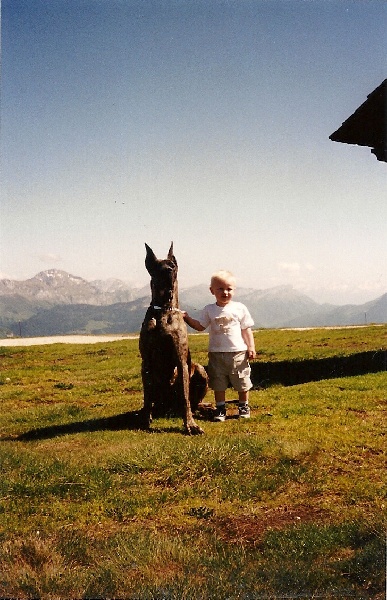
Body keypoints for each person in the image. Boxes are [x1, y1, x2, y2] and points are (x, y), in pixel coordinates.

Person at [182, 270, 256, 422]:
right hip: (216, 353)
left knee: (242, 381)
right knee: (218, 382)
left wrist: (251, 347)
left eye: (229, 289)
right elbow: (201, 326)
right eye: (220, 289)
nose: (225, 292)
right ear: (212, 291)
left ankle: (243, 406)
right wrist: (187, 318)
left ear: (234, 290)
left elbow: (246, 329)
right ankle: (220, 408)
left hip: (238, 353)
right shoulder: (209, 309)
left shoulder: (240, 308)